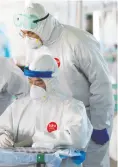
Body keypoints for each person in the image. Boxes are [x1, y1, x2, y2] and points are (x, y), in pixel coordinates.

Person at [14, 2, 114, 167]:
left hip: (88, 120)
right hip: (57, 122)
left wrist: (100, 124)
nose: (28, 38)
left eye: (31, 33)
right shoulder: (36, 47)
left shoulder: (77, 42)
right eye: (24, 34)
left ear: (43, 26)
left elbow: (101, 83)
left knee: (91, 164)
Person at [0, 53, 93, 167]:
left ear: (51, 81)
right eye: (31, 81)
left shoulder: (71, 107)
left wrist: (36, 139)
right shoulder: (19, 106)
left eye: (39, 81)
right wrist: (0, 136)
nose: (34, 86)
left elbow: (77, 138)